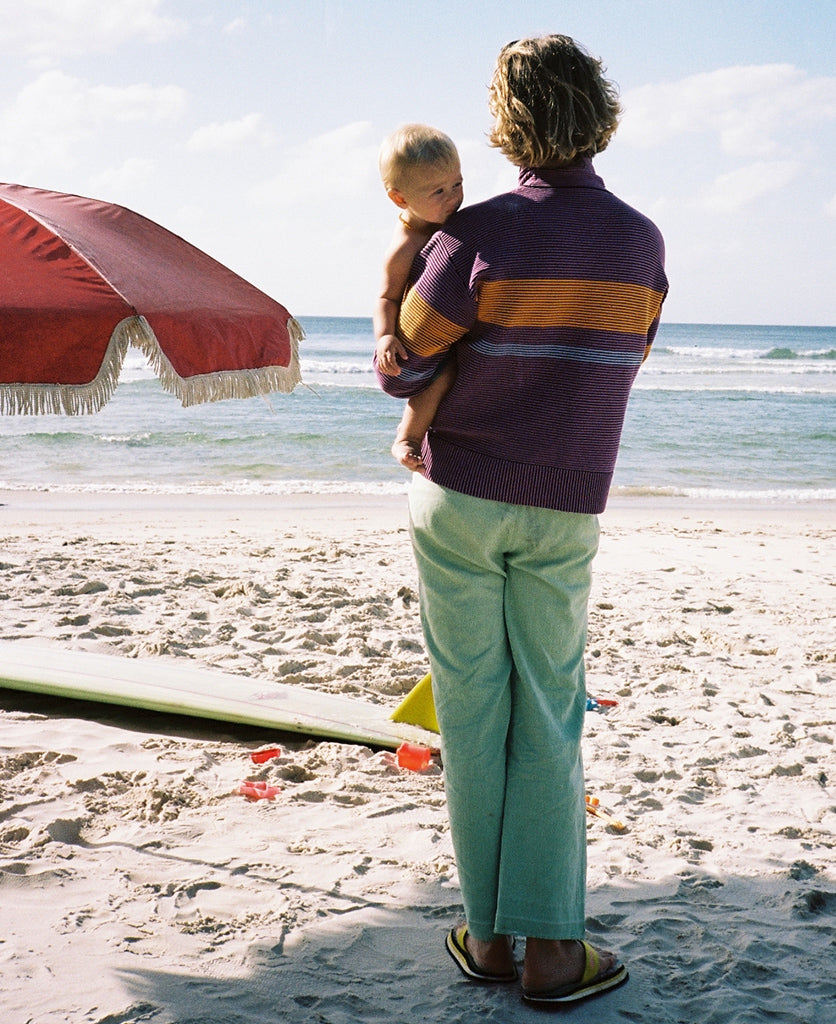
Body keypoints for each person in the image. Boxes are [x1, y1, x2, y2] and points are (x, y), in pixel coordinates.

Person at [375, 35, 667, 1007]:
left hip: (458, 499)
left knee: (471, 709)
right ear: (599, 113)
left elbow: (403, 368)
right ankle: (552, 950)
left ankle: (488, 938)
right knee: (547, 712)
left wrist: (392, 310)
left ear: (509, 125)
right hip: (563, 501)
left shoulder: (475, 233)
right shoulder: (640, 242)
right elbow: (621, 358)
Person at [373, 124, 463, 471]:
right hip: (411, 345)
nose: (453, 197)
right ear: (400, 198)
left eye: (458, 184)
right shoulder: (404, 244)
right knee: (446, 372)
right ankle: (407, 437)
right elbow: (385, 297)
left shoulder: (450, 218)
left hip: (446, 328)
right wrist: (385, 337)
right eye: (438, 191)